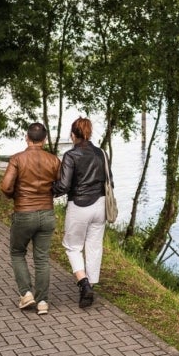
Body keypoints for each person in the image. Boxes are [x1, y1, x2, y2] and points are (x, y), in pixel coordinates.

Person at [0, 122, 61, 315]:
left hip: (24, 212)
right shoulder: (54, 160)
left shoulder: (17, 159)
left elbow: (6, 186)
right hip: (47, 213)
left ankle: (26, 294)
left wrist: (15, 197)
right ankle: (43, 302)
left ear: (27, 138)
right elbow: (61, 185)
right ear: (44, 139)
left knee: (18, 253)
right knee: (42, 258)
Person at [53, 117, 112, 308]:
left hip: (79, 205)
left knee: (72, 246)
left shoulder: (71, 155)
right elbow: (110, 179)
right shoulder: (102, 153)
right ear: (90, 132)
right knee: (94, 245)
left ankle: (83, 283)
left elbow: (63, 185)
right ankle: (91, 285)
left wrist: (46, 191)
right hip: (101, 204)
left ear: (73, 135)